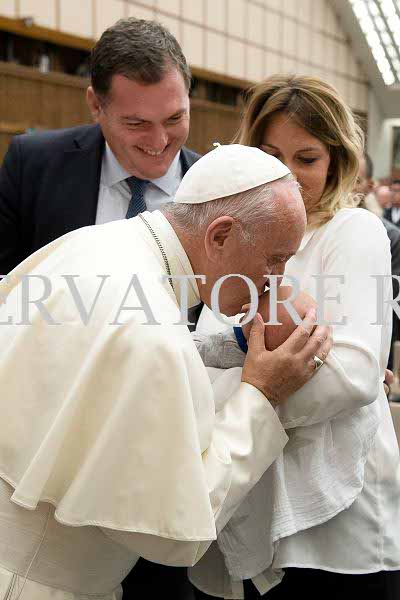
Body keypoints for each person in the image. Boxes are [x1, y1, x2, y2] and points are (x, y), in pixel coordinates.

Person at [0, 145, 332, 600]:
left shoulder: (97, 243)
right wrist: (261, 394)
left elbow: (98, 365)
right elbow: (175, 532)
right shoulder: (150, 329)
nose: (276, 280)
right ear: (220, 236)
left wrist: (229, 349)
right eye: (275, 259)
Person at [189, 75, 400, 600]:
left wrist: (248, 397)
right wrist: (264, 377)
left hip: (336, 525)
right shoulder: (233, 234)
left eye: (305, 158)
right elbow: (202, 361)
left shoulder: (353, 230)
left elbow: (353, 376)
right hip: (246, 500)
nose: (286, 174)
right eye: (269, 153)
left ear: (335, 162)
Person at [0, 18, 200, 278]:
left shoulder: (221, 190)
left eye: (174, 118)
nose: (159, 141)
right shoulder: (31, 168)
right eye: (137, 123)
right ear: (96, 106)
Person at [356, 153, 400, 368]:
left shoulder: (388, 234)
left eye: (354, 180)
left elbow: (388, 304)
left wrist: (382, 365)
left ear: (369, 185)